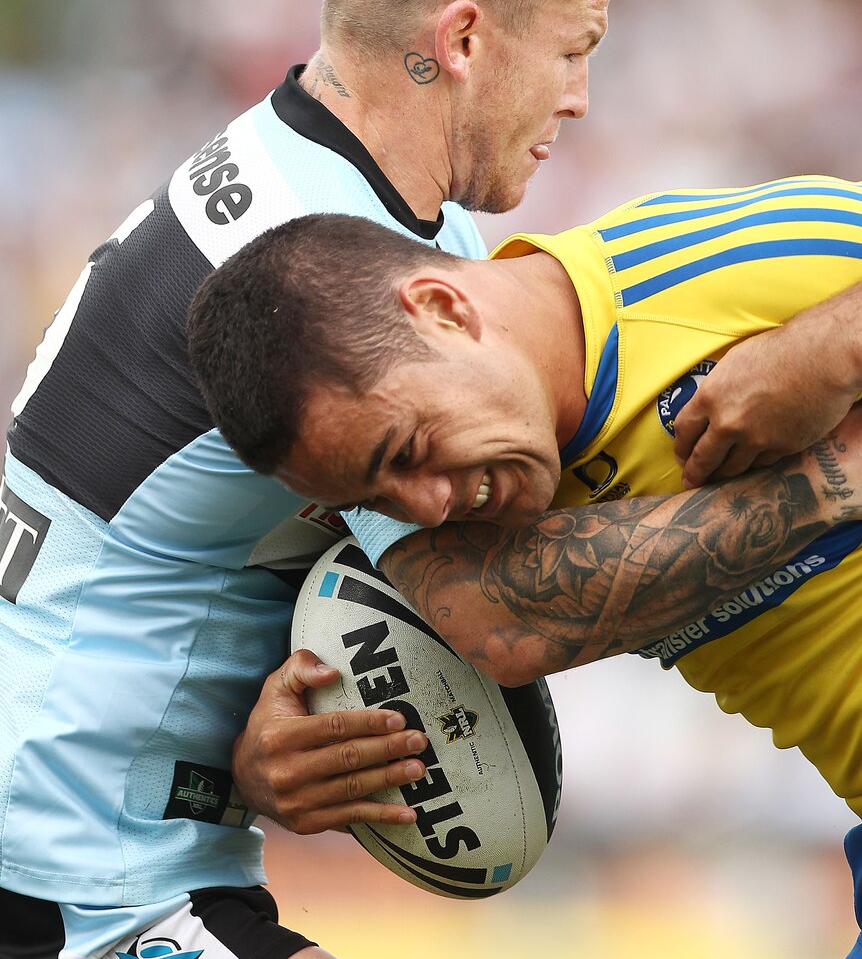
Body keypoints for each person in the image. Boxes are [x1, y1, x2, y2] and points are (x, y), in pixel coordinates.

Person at [0, 0, 628, 959]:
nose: (580, 98)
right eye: (573, 51)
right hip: (77, 868)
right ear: (468, 39)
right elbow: (499, 615)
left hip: (88, 818)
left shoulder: (334, 191)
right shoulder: (343, 275)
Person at [186, 175, 862, 957]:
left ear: (444, 310)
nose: (429, 504)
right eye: (377, 500)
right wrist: (250, 770)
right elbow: (503, 626)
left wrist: (838, 337)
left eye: (405, 451)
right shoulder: (466, 478)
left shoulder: (726, 274)